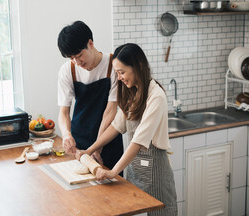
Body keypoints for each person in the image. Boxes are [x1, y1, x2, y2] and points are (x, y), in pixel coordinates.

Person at [76, 43, 178, 216]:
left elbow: (138, 141)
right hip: (133, 169)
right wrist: (90, 149)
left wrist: (114, 171)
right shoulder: (132, 92)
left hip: (155, 172)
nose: (120, 77)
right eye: (117, 73)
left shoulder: (156, 96)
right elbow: (116, 126)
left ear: (138, 67)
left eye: (122, 72)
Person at [57, 21, 123, 171]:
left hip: (108, 142)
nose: (77, 62)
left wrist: (97, 147)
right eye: (71, 58)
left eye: (79, 55)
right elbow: (64, 112)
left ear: (90, 43)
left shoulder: (113, 66)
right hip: (79, 141)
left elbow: (110, 112)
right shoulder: (67, 70)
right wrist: (67, 135)